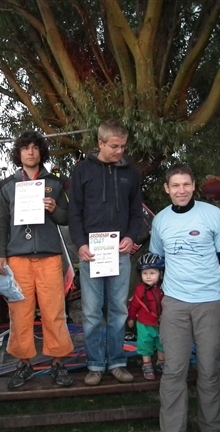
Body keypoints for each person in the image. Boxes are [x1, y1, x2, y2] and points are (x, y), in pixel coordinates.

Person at [149, 164, 220, 432]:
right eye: (175, 185)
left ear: (194, 185)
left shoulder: (212, 215)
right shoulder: (161, 220)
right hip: (175, 304)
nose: (181, 190)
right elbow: (156, 261)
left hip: (211, 302)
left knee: (210, 369)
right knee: (173, 371)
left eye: (186, 184)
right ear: (167, 189)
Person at [0, 131, 74, 389]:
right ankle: (24, 363)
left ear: (41, 152)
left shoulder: (56, 183)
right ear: (18, 153)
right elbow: (0, 224)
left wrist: (55, 209)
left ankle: (58, 363)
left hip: (49, 257)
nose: (30, 152)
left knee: (54, 312)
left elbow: (67, 218)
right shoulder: (8, 185)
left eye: (35, 147)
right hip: (18, 258)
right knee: (20, 314)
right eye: (25, 148)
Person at [69, 120, 144, 386]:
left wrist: (131, 237)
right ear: (100, 144)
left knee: (118, 311)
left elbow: (137, 213)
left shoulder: (130, 173)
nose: (119, 151)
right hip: (91, 253)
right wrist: (80, 244)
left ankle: (117, 362)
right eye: (114, 146)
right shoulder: (82, 171)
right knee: (91, 312)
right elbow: (74, 214)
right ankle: (94, 364)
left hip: (120, 253)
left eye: (123, 146)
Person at [127, 253, 166, 380]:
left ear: (160, 273)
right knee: (145, 344)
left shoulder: (165, 288)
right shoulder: (140, 289)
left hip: (161, 323)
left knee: (162, 343)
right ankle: (147, 364)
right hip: (144, 323)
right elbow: (135, 304)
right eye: (145, 273)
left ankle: (161, 362)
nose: (148, 276)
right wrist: (131, 317)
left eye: (152, 273)